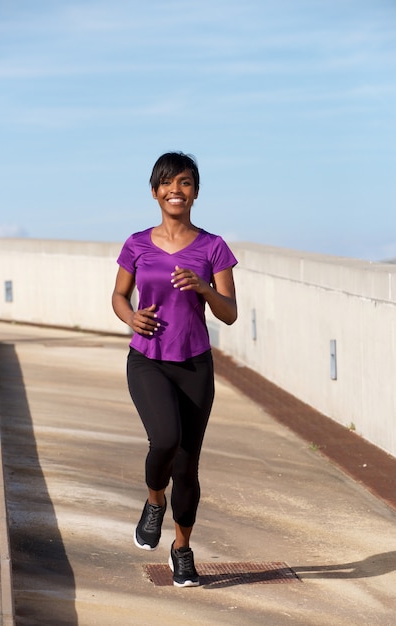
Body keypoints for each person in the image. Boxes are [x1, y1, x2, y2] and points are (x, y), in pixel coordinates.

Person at [112, 151, 237, 587]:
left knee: (187, 467)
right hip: (147, 360)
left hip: (194, 365)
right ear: (154, 192)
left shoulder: (213, 247)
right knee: (164, 438)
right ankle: (153, 502)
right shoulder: (136, 243)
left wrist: (204, 286)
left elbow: (229, 313)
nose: (175, 190)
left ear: (196, 192)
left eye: (184, 183)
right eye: (167, 183)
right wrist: (131, 318)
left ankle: (181, 548)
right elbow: (118, 296)